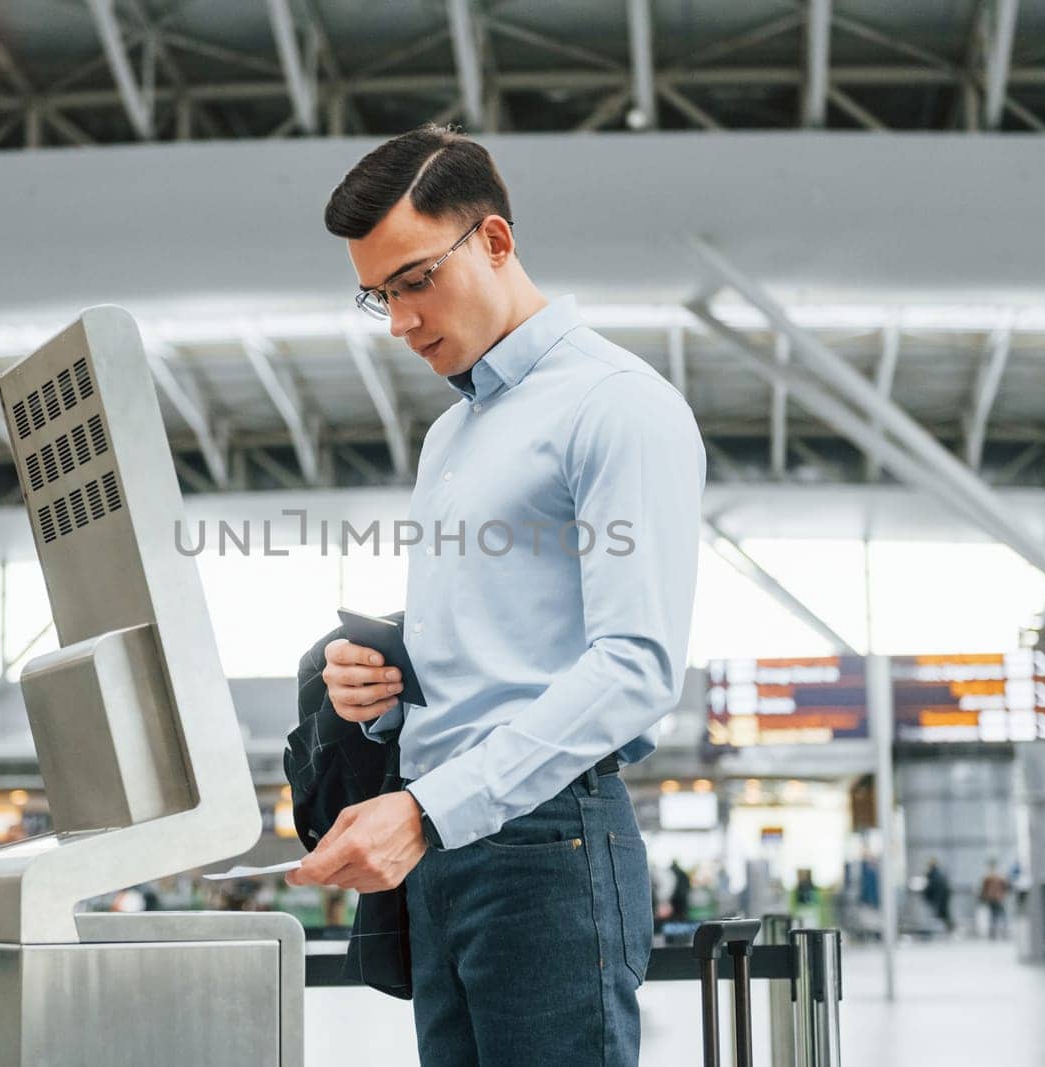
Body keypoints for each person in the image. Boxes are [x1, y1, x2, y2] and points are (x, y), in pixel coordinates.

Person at [285, 125, 704, 1066]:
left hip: (545, 845)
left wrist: (431, 810)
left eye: (415, 280)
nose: (399, 321)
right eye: (378, 294)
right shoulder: (453, 437)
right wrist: (382, 691)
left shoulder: (615, 406)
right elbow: (493, 655)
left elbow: (635, 667)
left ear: (496, 242)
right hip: (443, 845)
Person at [978, 858, 1011, 940]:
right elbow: (1006, 886)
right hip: (998, 898)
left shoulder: (987, 876)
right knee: (1001, 914)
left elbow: (983, 889)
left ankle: (993, 932)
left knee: (993, 916)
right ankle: (1003, 931)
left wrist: (983, 898)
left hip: (991, 898)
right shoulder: (1000, 876)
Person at [923, 856, 953, 933]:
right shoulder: (935, 873)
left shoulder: (935, 874)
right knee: (943, 913)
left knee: (943, 913)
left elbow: (934, 886)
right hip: (941, 897)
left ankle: (949, 928)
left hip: (940, 897)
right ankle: (949, 928)